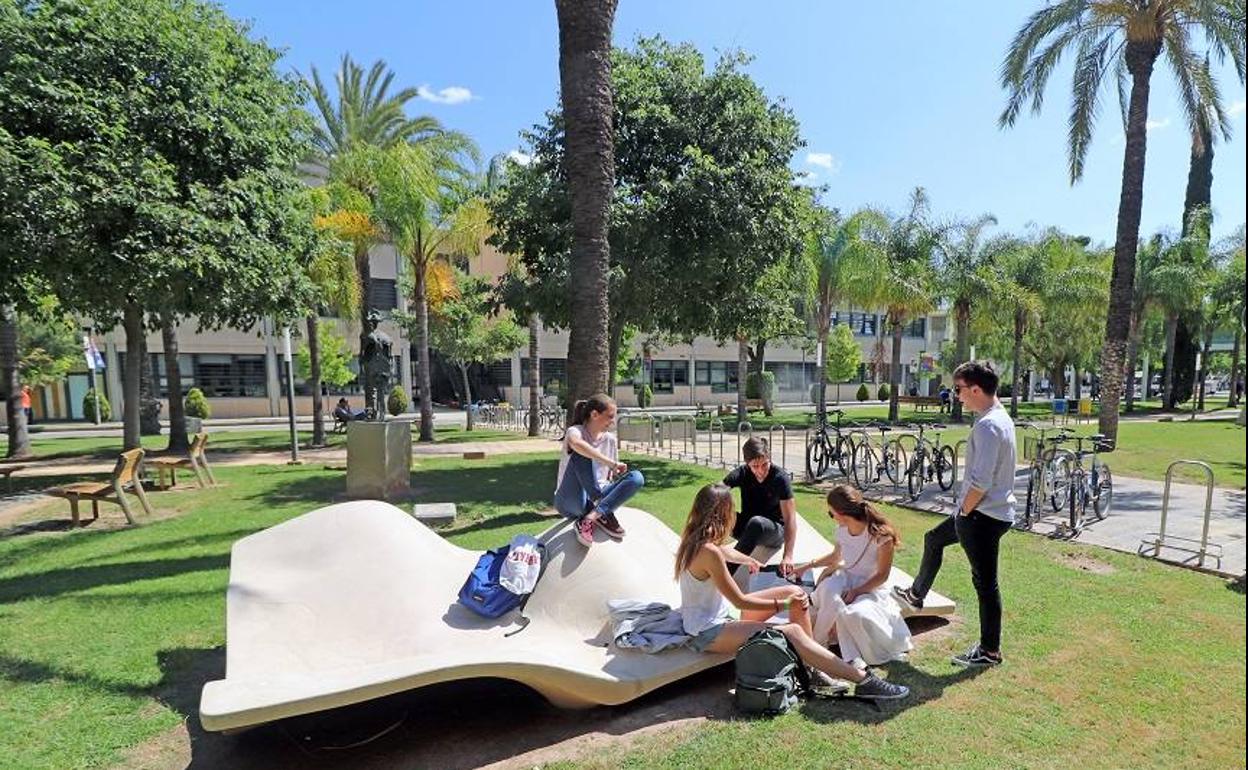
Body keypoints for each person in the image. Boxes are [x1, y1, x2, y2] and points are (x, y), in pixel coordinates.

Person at [675, 484, 909, 700]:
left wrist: (748, 560)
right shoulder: (709, 552)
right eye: (732, 510)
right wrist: (782, 605)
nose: (735, 516)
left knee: (795, 593)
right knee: (792, 631)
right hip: (707, 631)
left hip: (720, 620)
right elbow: (739, 600)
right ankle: (863, 679)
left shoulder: (697, 540)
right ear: (723, 513)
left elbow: (725, 553)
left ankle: (812, 671)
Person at [894, 361, 1016, 667]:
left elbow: (981, 482)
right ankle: (916, 594)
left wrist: (963, 512)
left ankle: (990, 651)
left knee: (986, 584)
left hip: (981, 518)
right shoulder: (999, 417)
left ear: (976, 389)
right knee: (934, 539)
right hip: (984, 514)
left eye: (959, 389)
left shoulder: (988, 425)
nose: (956, 395)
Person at [795, 485, 913, 667]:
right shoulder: (842, 530)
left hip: (869, 587)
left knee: (849, 612)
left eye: (831, 512)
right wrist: (806, 566)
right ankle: (818, 646)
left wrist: (857, 591)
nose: (831, 516)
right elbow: (835, 557)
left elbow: (882, 576)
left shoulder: (881, 536)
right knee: (830, 593)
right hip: (845, 577)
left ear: (841, 513)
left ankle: (851, 657)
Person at [554, 393, 645, 547]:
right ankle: (601, 507)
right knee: (581, 454)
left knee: (637, 478)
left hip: (598, 495)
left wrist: (616, 472)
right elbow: (577, 445)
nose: (613, 421)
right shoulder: (575, 431)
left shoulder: (610, 439)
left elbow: (609, 477)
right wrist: (611, 463)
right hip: (570, 500)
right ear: (594, 414)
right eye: (610, 416)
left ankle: (593, 516)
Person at [723, 437, 797, 578]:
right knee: (720, 514)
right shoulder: (743, 473)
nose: (761, 471)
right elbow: (717, 491)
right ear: (747, 464)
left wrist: (788, 556)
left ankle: (725, 574)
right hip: (748, 527)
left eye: (765, 465)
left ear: (769, 458)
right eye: (755, 467)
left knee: (757, 523)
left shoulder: (780, 478)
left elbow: (790, 518)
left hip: (773, 531)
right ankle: (703, 553)